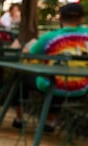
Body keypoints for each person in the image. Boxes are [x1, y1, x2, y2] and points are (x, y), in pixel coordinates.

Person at [13, 2, 88, 131]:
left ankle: (19, 119)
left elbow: (30, 54)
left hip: (55, 85)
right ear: (81, 19)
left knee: (22, 77)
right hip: (82, 87)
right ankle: (50, 122)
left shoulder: (50, 37)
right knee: (62, 77)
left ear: (60, 18)